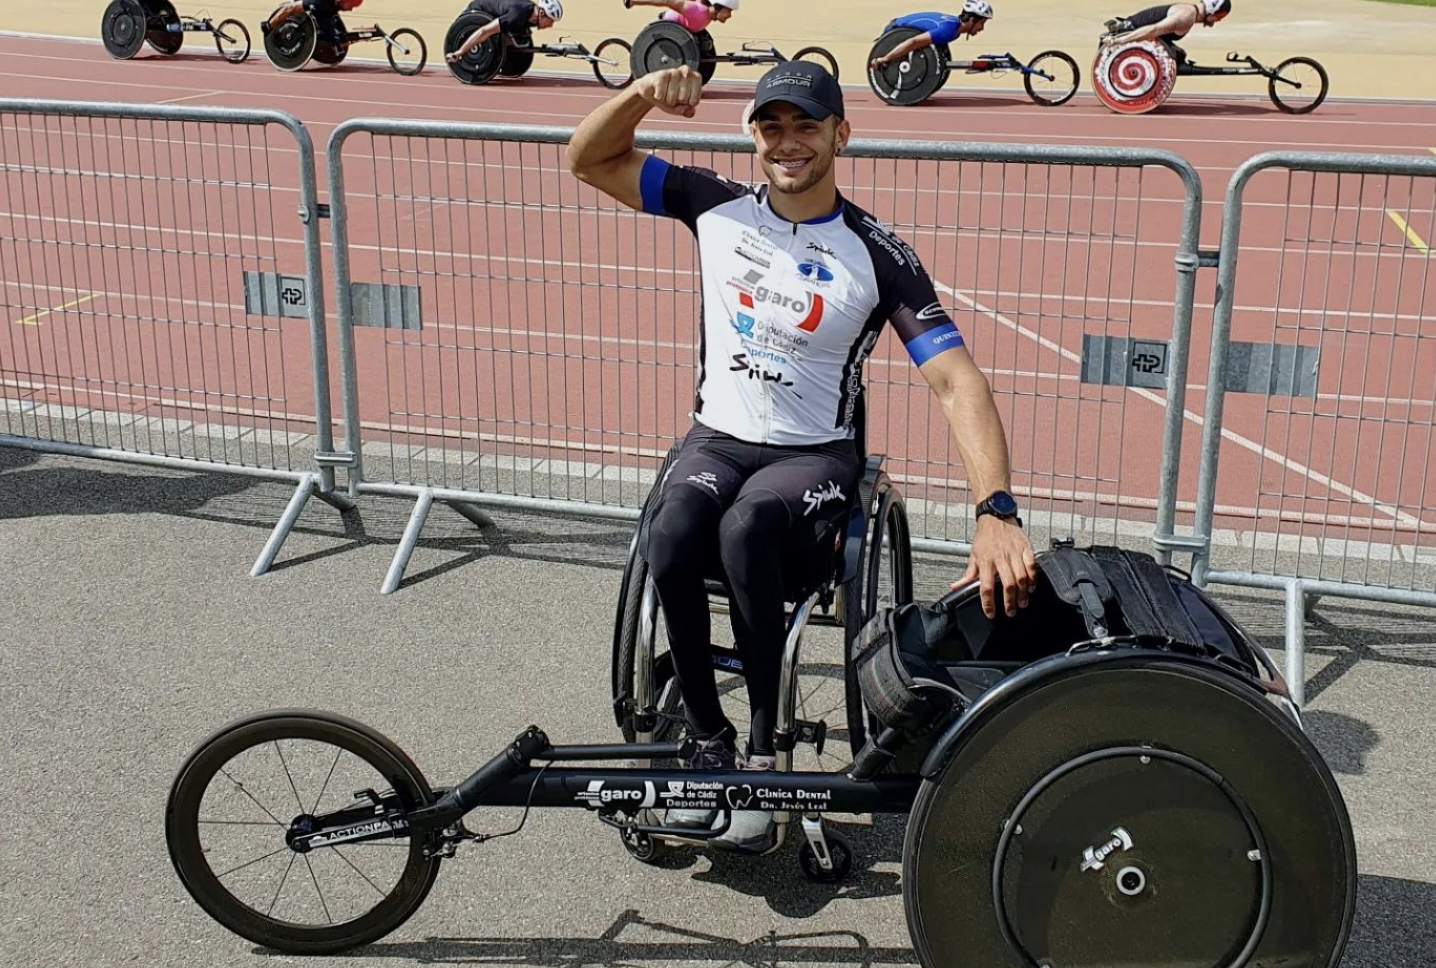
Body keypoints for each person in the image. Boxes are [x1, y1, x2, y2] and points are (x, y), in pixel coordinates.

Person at [567, 61, 1037, 852]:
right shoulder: (711, 204)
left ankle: (762, 745)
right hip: (717, 438)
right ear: (754, 135)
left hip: (812, 458)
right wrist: (643, 96)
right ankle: (708, 737)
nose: (788, 142)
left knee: (747, 527)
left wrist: (995, 512)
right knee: (673, 529)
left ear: (840, 135)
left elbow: (956, 381)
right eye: (771, 126)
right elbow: (589, 159)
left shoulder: (877, 253)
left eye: (806, 125)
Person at [869, 1, 994, 72]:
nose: (982, 28)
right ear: (972, 20)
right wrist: (885, 59)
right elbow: (913, 42)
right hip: (895, 30)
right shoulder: (949, 29)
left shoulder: (955, 29)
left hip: (901, 28)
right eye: (981, 23)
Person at [1101, 0, 1232, 63]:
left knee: (1180, 55)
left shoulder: (1190, 11)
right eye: (1219, 17)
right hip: (1131, 30)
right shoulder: (1186, 16)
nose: (1217, 21)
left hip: (1140, 30)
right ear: (1213, 13)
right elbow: (1154, 30)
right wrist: (1119, 41)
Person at [446, 0, 563, 64]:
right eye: (551, 21)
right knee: (491, 31)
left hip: (499, 12)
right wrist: (460, 52)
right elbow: (484, 31)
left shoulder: (531, 13)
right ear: (542, 14)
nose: (551, 26)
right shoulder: (516, 15)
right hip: (478, 11)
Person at [263, 0, 362, 47]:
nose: (351, 10)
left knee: (340, 37)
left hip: (326, 9)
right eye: (350, 6)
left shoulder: (334, 5)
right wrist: (269, 25)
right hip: (318, 4)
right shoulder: (320, 3)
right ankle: (269, 25)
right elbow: (290, 8)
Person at [623, 0, 739, 33]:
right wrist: (634, 1)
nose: (729, 16)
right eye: (729, 11)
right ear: (718, 6)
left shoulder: (706, 15)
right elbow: (667, 1)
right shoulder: (696, 10)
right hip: (667, 29)